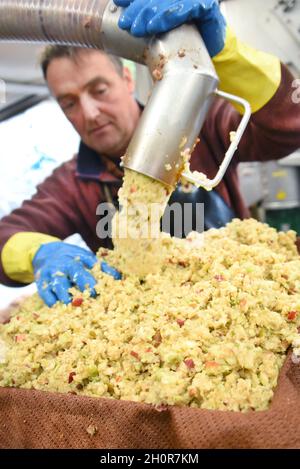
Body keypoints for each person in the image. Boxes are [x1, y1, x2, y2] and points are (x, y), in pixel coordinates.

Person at [0, 0, 299, 307]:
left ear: (127, 80)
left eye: (99, 90)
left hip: (232, 305)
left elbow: (289, 125)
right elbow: (5, 237)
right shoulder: (73, 183)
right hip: (147, 328)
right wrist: (37, 253)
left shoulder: (198, 126)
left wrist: (226, 54)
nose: (89, 113)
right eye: (69, 103)